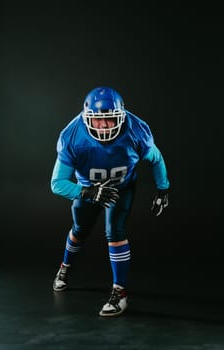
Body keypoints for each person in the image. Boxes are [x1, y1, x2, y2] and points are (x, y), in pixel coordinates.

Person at [50, 86, 170, 317]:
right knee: (79, 231)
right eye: (98, 121)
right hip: (87, 188)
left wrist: (163, 188)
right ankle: (65, 268)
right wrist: (87, 192)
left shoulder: (136, 129)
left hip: (120, 188)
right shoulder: (72, 135)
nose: (104, 126)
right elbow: (57, 183)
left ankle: (120, 293)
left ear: (121, 116)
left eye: (110, 120)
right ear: (87, 119)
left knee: (115, 232)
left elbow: (156, 158)